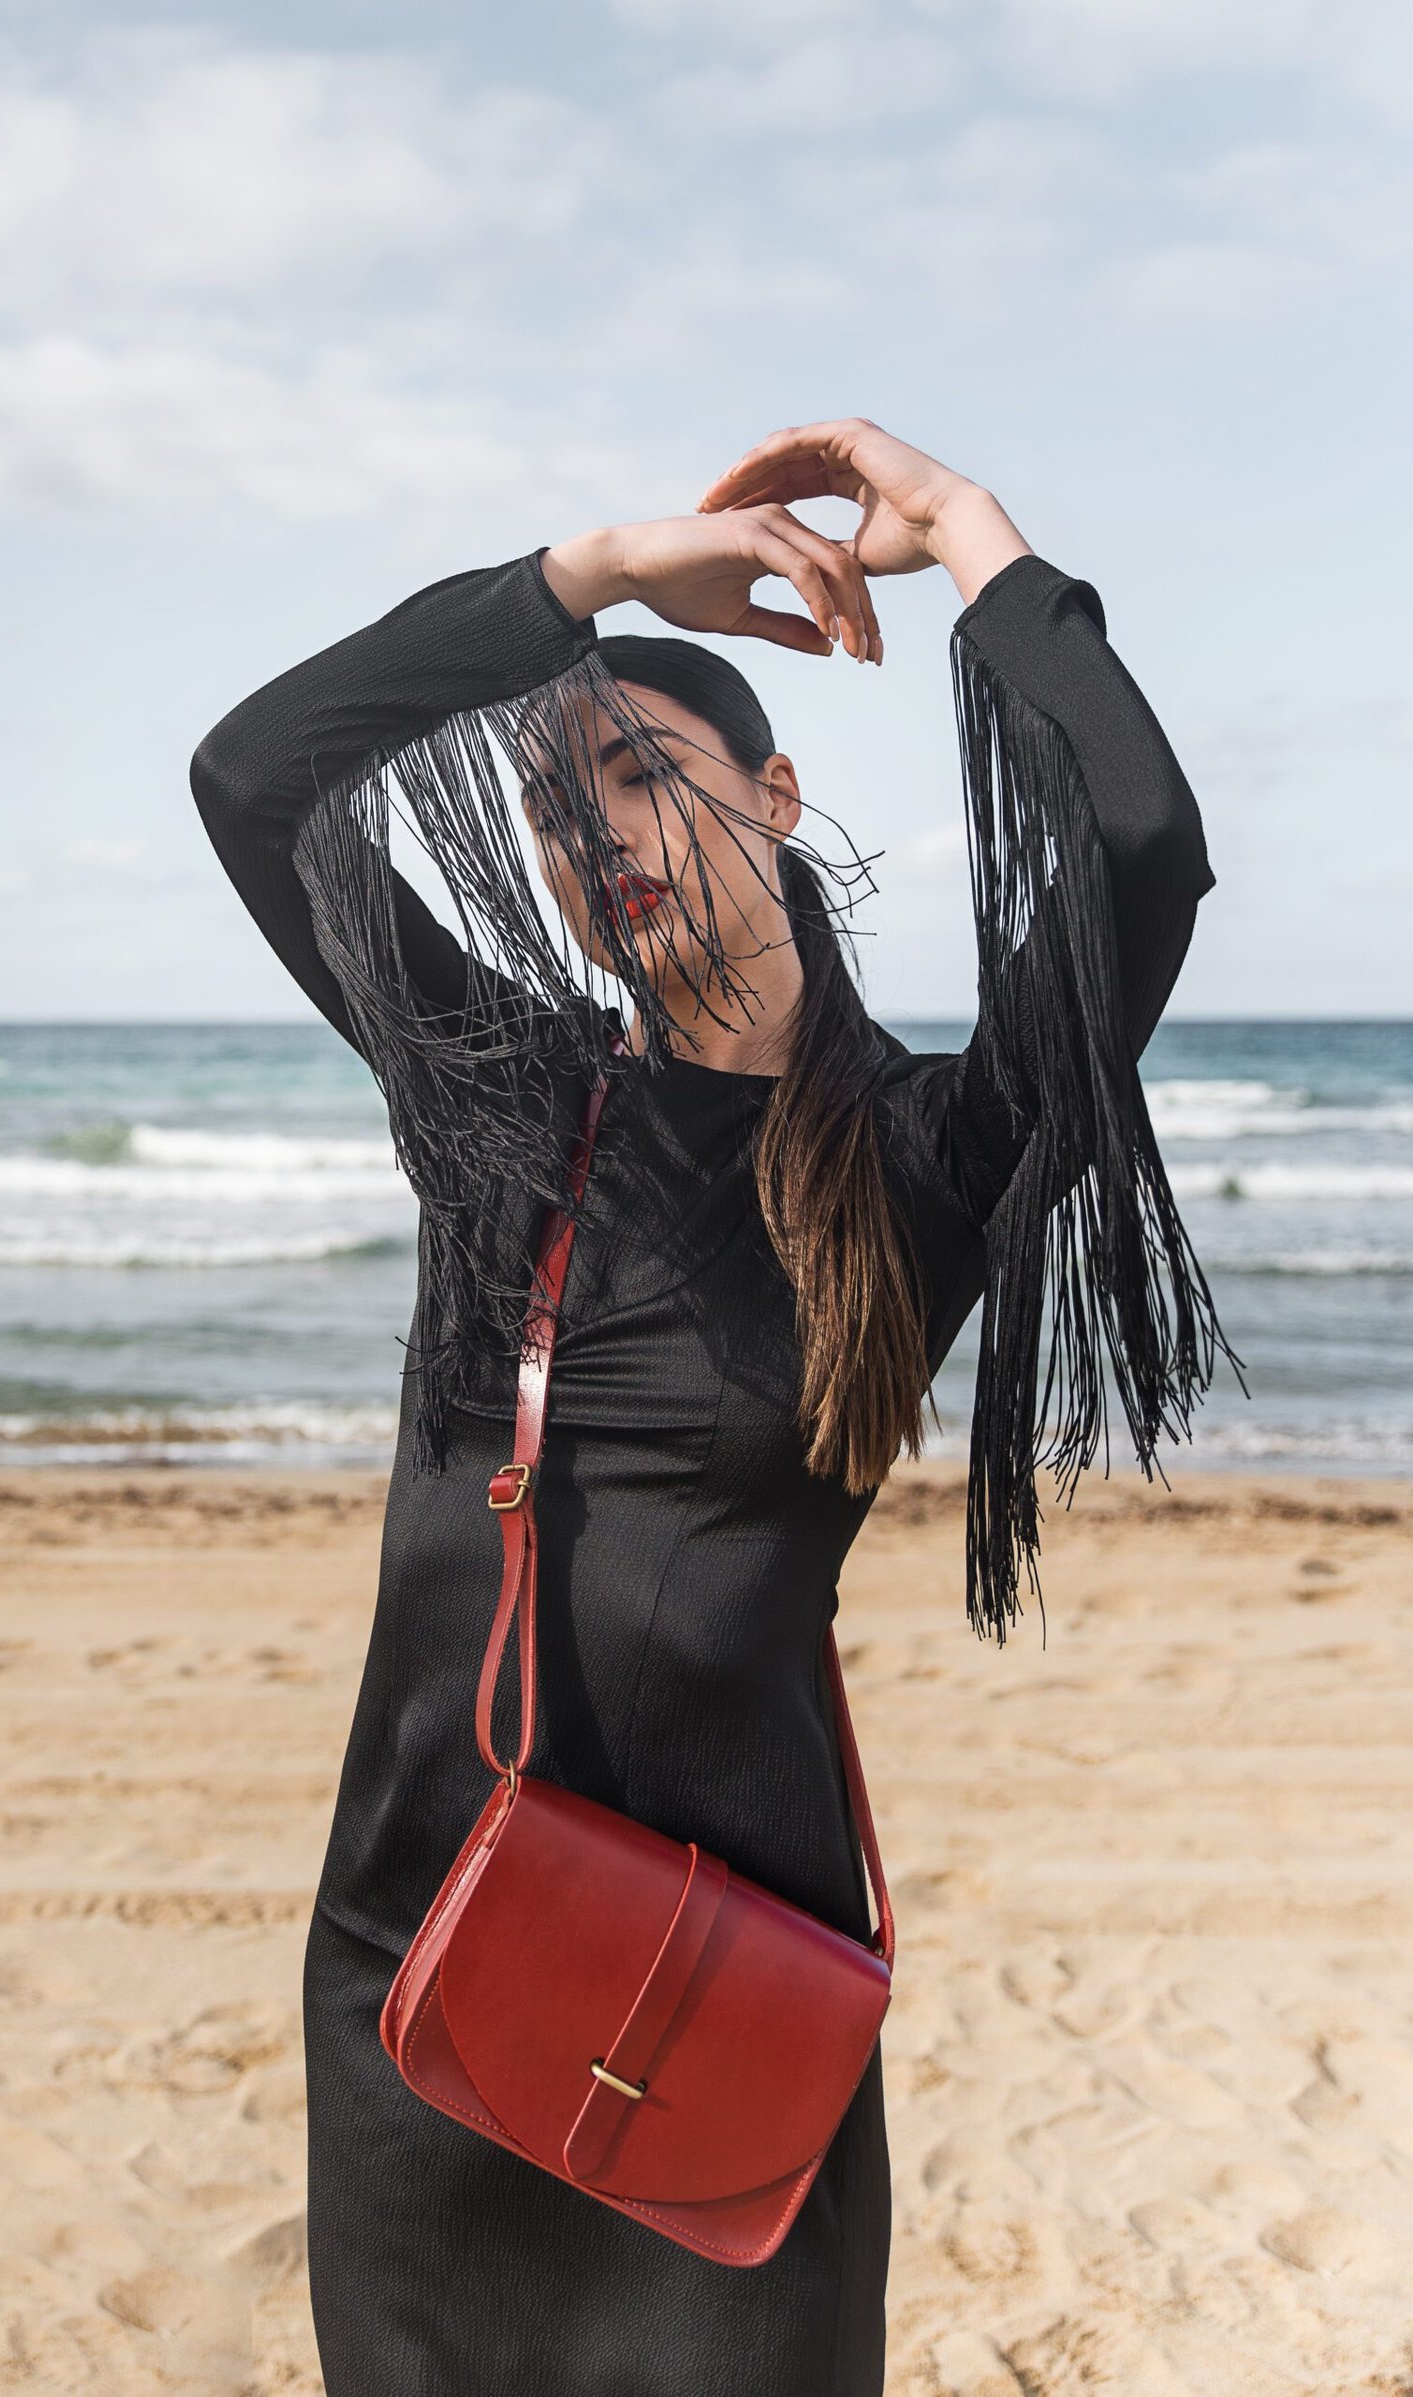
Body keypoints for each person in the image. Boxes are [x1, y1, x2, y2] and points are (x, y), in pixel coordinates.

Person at [189, 417, 1232, 2396]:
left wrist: (973, 539)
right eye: (557, 807)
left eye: (643, 771)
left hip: (728, 1994)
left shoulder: (924, 1151)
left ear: (775, 792)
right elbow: (254, 778)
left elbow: (1138, 851)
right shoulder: (504, 1098)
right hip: (425, 1959)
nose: (600, 832)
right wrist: (582, 576)